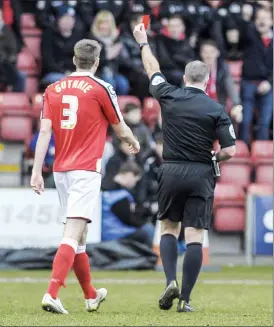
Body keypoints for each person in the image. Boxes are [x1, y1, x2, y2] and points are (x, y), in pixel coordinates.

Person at [30, 39, 140, 314]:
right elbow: (120, 127)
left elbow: (44, 132)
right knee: (72, 232)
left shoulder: (52, 89)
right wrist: (134, 142)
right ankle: (52, 292)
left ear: (74, 60)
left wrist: (35, 170)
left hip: (61, 169)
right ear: (98, 62)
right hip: (86, 169)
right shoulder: (102, 88)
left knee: (80, 234)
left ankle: (90, 295)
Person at [132, 22, 237, 312]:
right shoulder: (216, 109)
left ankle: (170, 280)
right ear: (206, 81)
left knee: (168, 228)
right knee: (195, 237)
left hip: (172, 170)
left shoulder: (170, 95)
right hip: (201, 173)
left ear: (184, 78)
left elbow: (152, 70)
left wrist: (143, 42)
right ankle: (186, 300)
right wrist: (215, 159)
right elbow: (230, 150)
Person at [238, 7, 272, 143]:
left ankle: (262, 152)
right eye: (259, 18)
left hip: (268, 85)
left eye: (265, 18)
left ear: (272, 21)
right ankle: (242, 150)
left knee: (265, 121)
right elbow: (244, 29)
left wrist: (270, 82)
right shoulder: (250, 34)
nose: (262, 21)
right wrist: (246, 19)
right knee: (245, 121)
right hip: (248, 82)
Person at [101, 161, 154, 247]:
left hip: (109, 230)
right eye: (135, 181)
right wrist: (143, 222)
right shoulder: (119, 194)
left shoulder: (107, 186)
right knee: (148, 229)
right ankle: (149, 259)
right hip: (114, 233)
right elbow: (128, 219)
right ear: (129, 175)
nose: (134, 184)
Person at [199, 40, 243, 124]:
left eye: (212, 52)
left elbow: (231, 88)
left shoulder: (223, 69)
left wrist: (237, 106)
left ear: (217, 53)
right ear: (201, 54)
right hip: (200, 108)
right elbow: (186, 91)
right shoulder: (195, 69)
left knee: (234, 116)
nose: (209, 55)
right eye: (205, 52)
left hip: (218, 107)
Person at [40, 7, 85, 85]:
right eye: (65, 18)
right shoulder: (49, 35)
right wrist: (65, 72)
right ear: (58, 19)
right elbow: (48, 61)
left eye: (71, 19)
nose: (68, 21)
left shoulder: (79, 36)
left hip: (74, 73)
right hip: (53, 73)